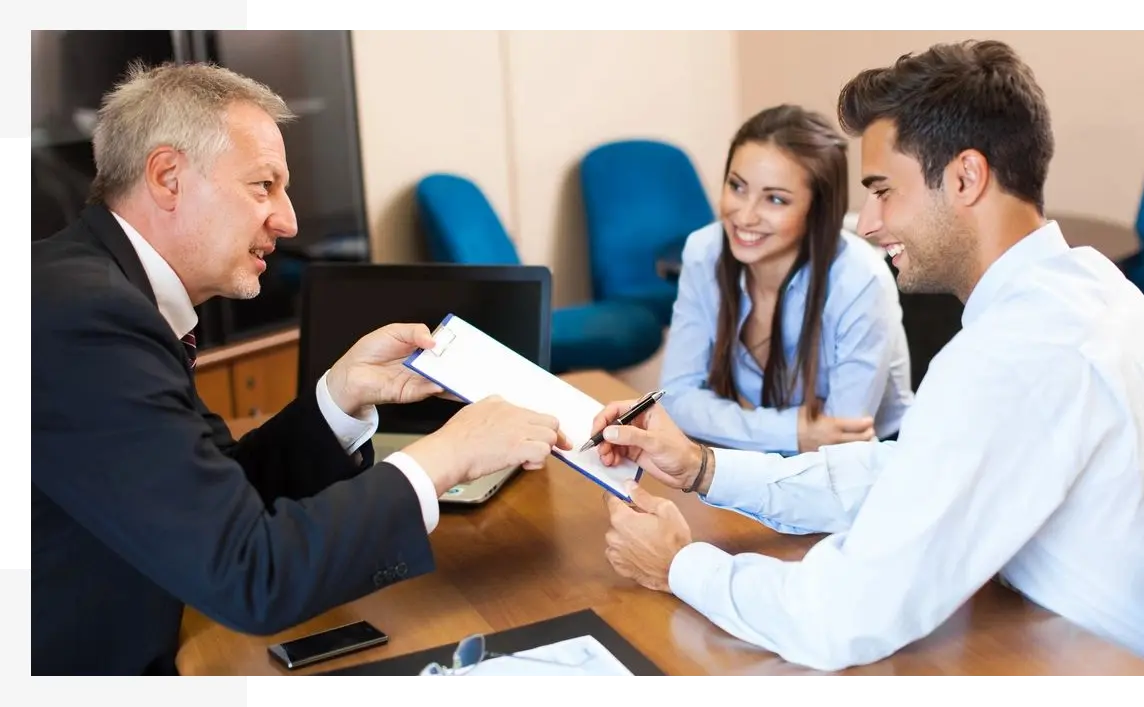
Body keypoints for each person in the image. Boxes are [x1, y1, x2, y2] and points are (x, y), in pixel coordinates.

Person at [593, 39, 1144, 671]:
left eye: (884, 190)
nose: (867, 222)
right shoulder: (1093, 289)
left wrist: (679, 564)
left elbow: (844, 617)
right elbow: (908, 475)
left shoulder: (1012, 356)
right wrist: (703, 468)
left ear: (966, 177)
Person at [24, 61, 570, 675]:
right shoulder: (88, 319)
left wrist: (338, 399)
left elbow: (215, 493)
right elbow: (250, 573)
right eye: (264, 186)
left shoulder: (100, 289)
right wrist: (446, 457)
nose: (288, 221)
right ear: (168, 177)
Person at [659, 105, 913, 458]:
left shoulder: (860, 281)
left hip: (871, 469)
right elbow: (675, 398)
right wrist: (794, 431)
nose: (744, 215)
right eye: (737, 187)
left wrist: (731, 421)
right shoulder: (705, 252)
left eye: (775, 199)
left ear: (817, 210)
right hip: (761, 458)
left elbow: (841, 443)